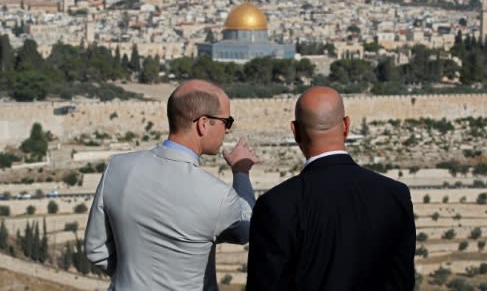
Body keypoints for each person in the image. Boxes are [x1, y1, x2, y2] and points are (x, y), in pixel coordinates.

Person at [85, 79, 259, 290]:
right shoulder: (216, 195)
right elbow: (245, 229)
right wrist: (241, 172)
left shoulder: (118, 167)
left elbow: (96, 248)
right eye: (227, 121)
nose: (228, 130)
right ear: (203, 124)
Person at [246, 86, 415, 291]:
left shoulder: (277, 204)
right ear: (346, 125)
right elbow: (402, 281)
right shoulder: (395, 195)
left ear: (295, 131)